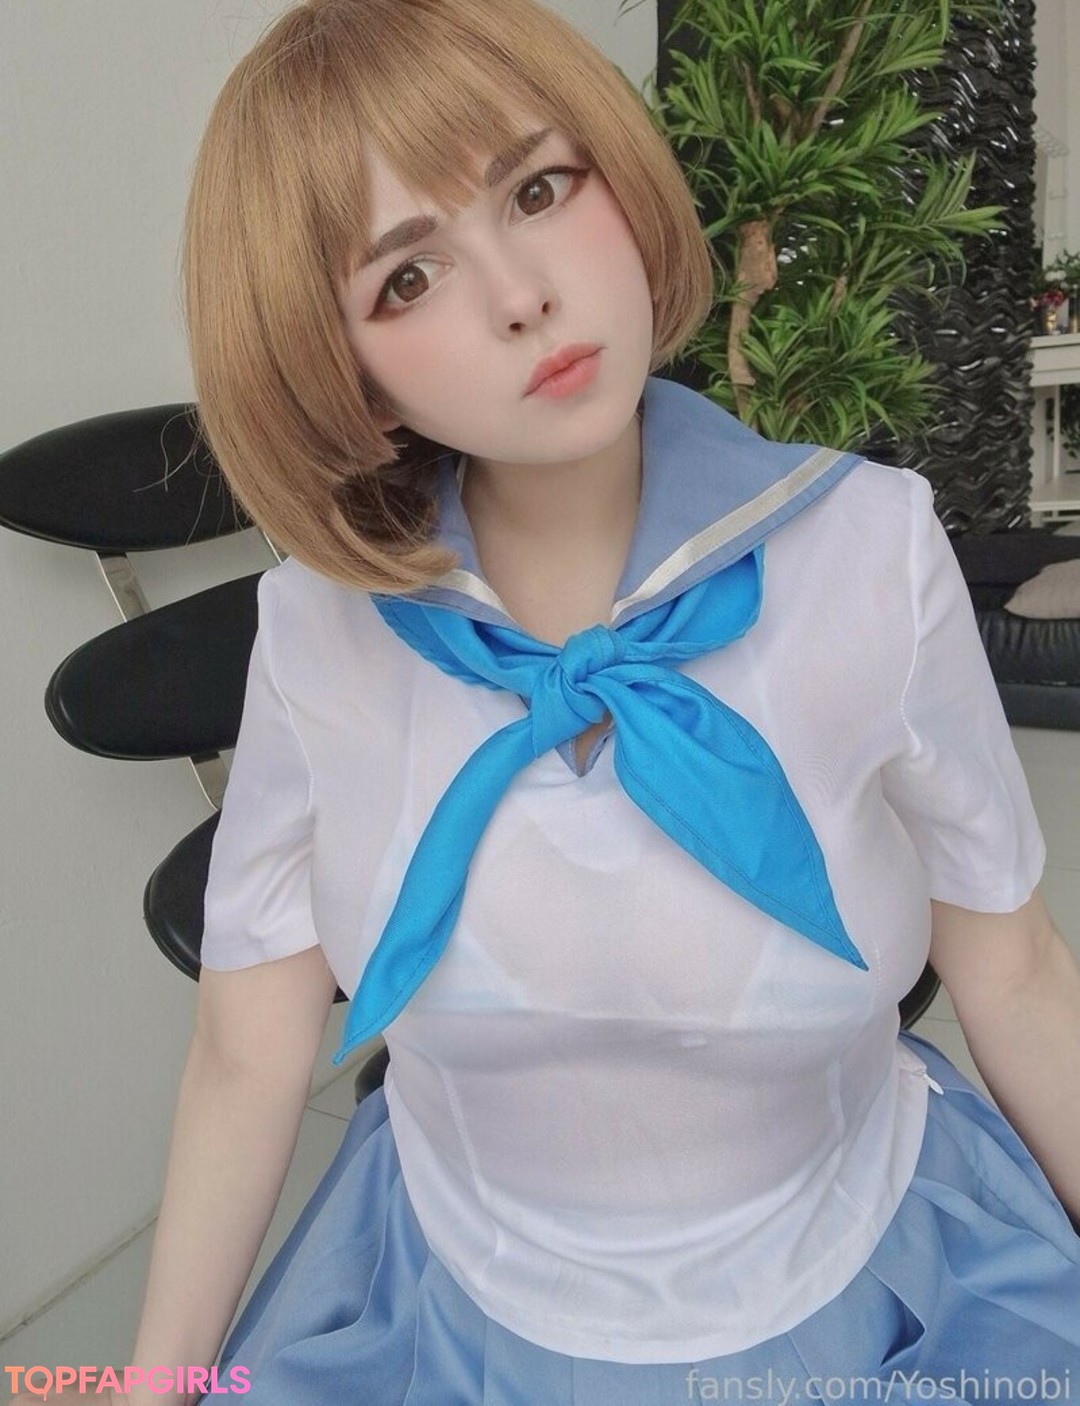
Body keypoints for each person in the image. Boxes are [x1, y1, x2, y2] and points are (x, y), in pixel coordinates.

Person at [17, 1, 1080, 1402]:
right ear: (346, 374)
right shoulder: (318, 636)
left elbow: (1012, 969)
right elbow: (247, 1046)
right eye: (407, 278)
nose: (521, 294)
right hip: (445, 1314)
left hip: (883, 1289)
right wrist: (152, 1387)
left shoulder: (872, 554)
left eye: (537, 189)